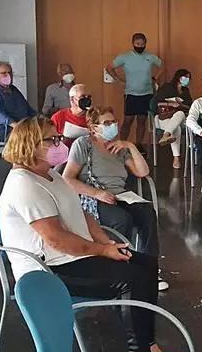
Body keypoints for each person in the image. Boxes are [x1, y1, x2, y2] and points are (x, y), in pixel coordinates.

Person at [0, 116, 167, 352]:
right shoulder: (24, 184)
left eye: (58, 138)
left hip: (73, 256)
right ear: (30, 145)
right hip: (48, 271)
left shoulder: (50, 175)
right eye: (51, 140)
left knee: (146, 264)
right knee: (132, 278)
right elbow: (56, 240)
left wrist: (105, 242)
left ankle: (147, 343)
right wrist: (103, 251)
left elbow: (81, 212)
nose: (59, 144)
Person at [62, 107, 167, 292]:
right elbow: (67, 178)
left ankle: (149, 268)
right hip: (95, 196)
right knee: (121, 220)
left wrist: (130, 146)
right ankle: (120, 267)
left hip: (121, 195)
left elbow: (142, 172)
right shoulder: (83, 144)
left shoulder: (119, 147)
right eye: (107, 123)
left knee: (147, 214)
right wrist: (97, 193)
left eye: (114, 122)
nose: (112, 126)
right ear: (94, 128)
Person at [106, 33, 164, 144]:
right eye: (137, 43)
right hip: (131, 94)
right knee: (128, 121)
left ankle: (139, 145)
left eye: (142, 44)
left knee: (142, 120)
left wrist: (155, 78)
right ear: (133, 43)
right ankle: (122, 144)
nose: (140, 46)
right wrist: (119, 80)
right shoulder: (125, 57)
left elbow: (163, 67)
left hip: (147, 93)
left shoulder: (150, 57)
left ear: (145, 44)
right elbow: (109, 68)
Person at [0, 61, 35, 142]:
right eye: (4, 73)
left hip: (23, 126)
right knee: (32, 137)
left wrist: (41, 119)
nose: (8, 76)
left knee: (44, 133)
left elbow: (27, 109)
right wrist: (15, 125)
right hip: (5, 130)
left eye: (10, 73)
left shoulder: (14, 90)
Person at [153, 69, 193, 170]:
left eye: (188, 78)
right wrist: (170, 103)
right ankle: (176, 158)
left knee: (180, 113)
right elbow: (155, 103)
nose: (187, 79)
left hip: (180, 117)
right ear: (179, 77)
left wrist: (180, 105)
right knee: (177, 129)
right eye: (185, 77)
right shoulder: (166, 87)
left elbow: (190, 106)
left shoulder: (186, 91)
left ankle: (165, 135)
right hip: (164, 118)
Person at [50, 83, 92, 147]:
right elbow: (49, 141)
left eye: (89, 97)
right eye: (82, 97)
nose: (87, 100)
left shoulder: (94, 116)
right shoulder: (58, 117)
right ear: (72, 99)